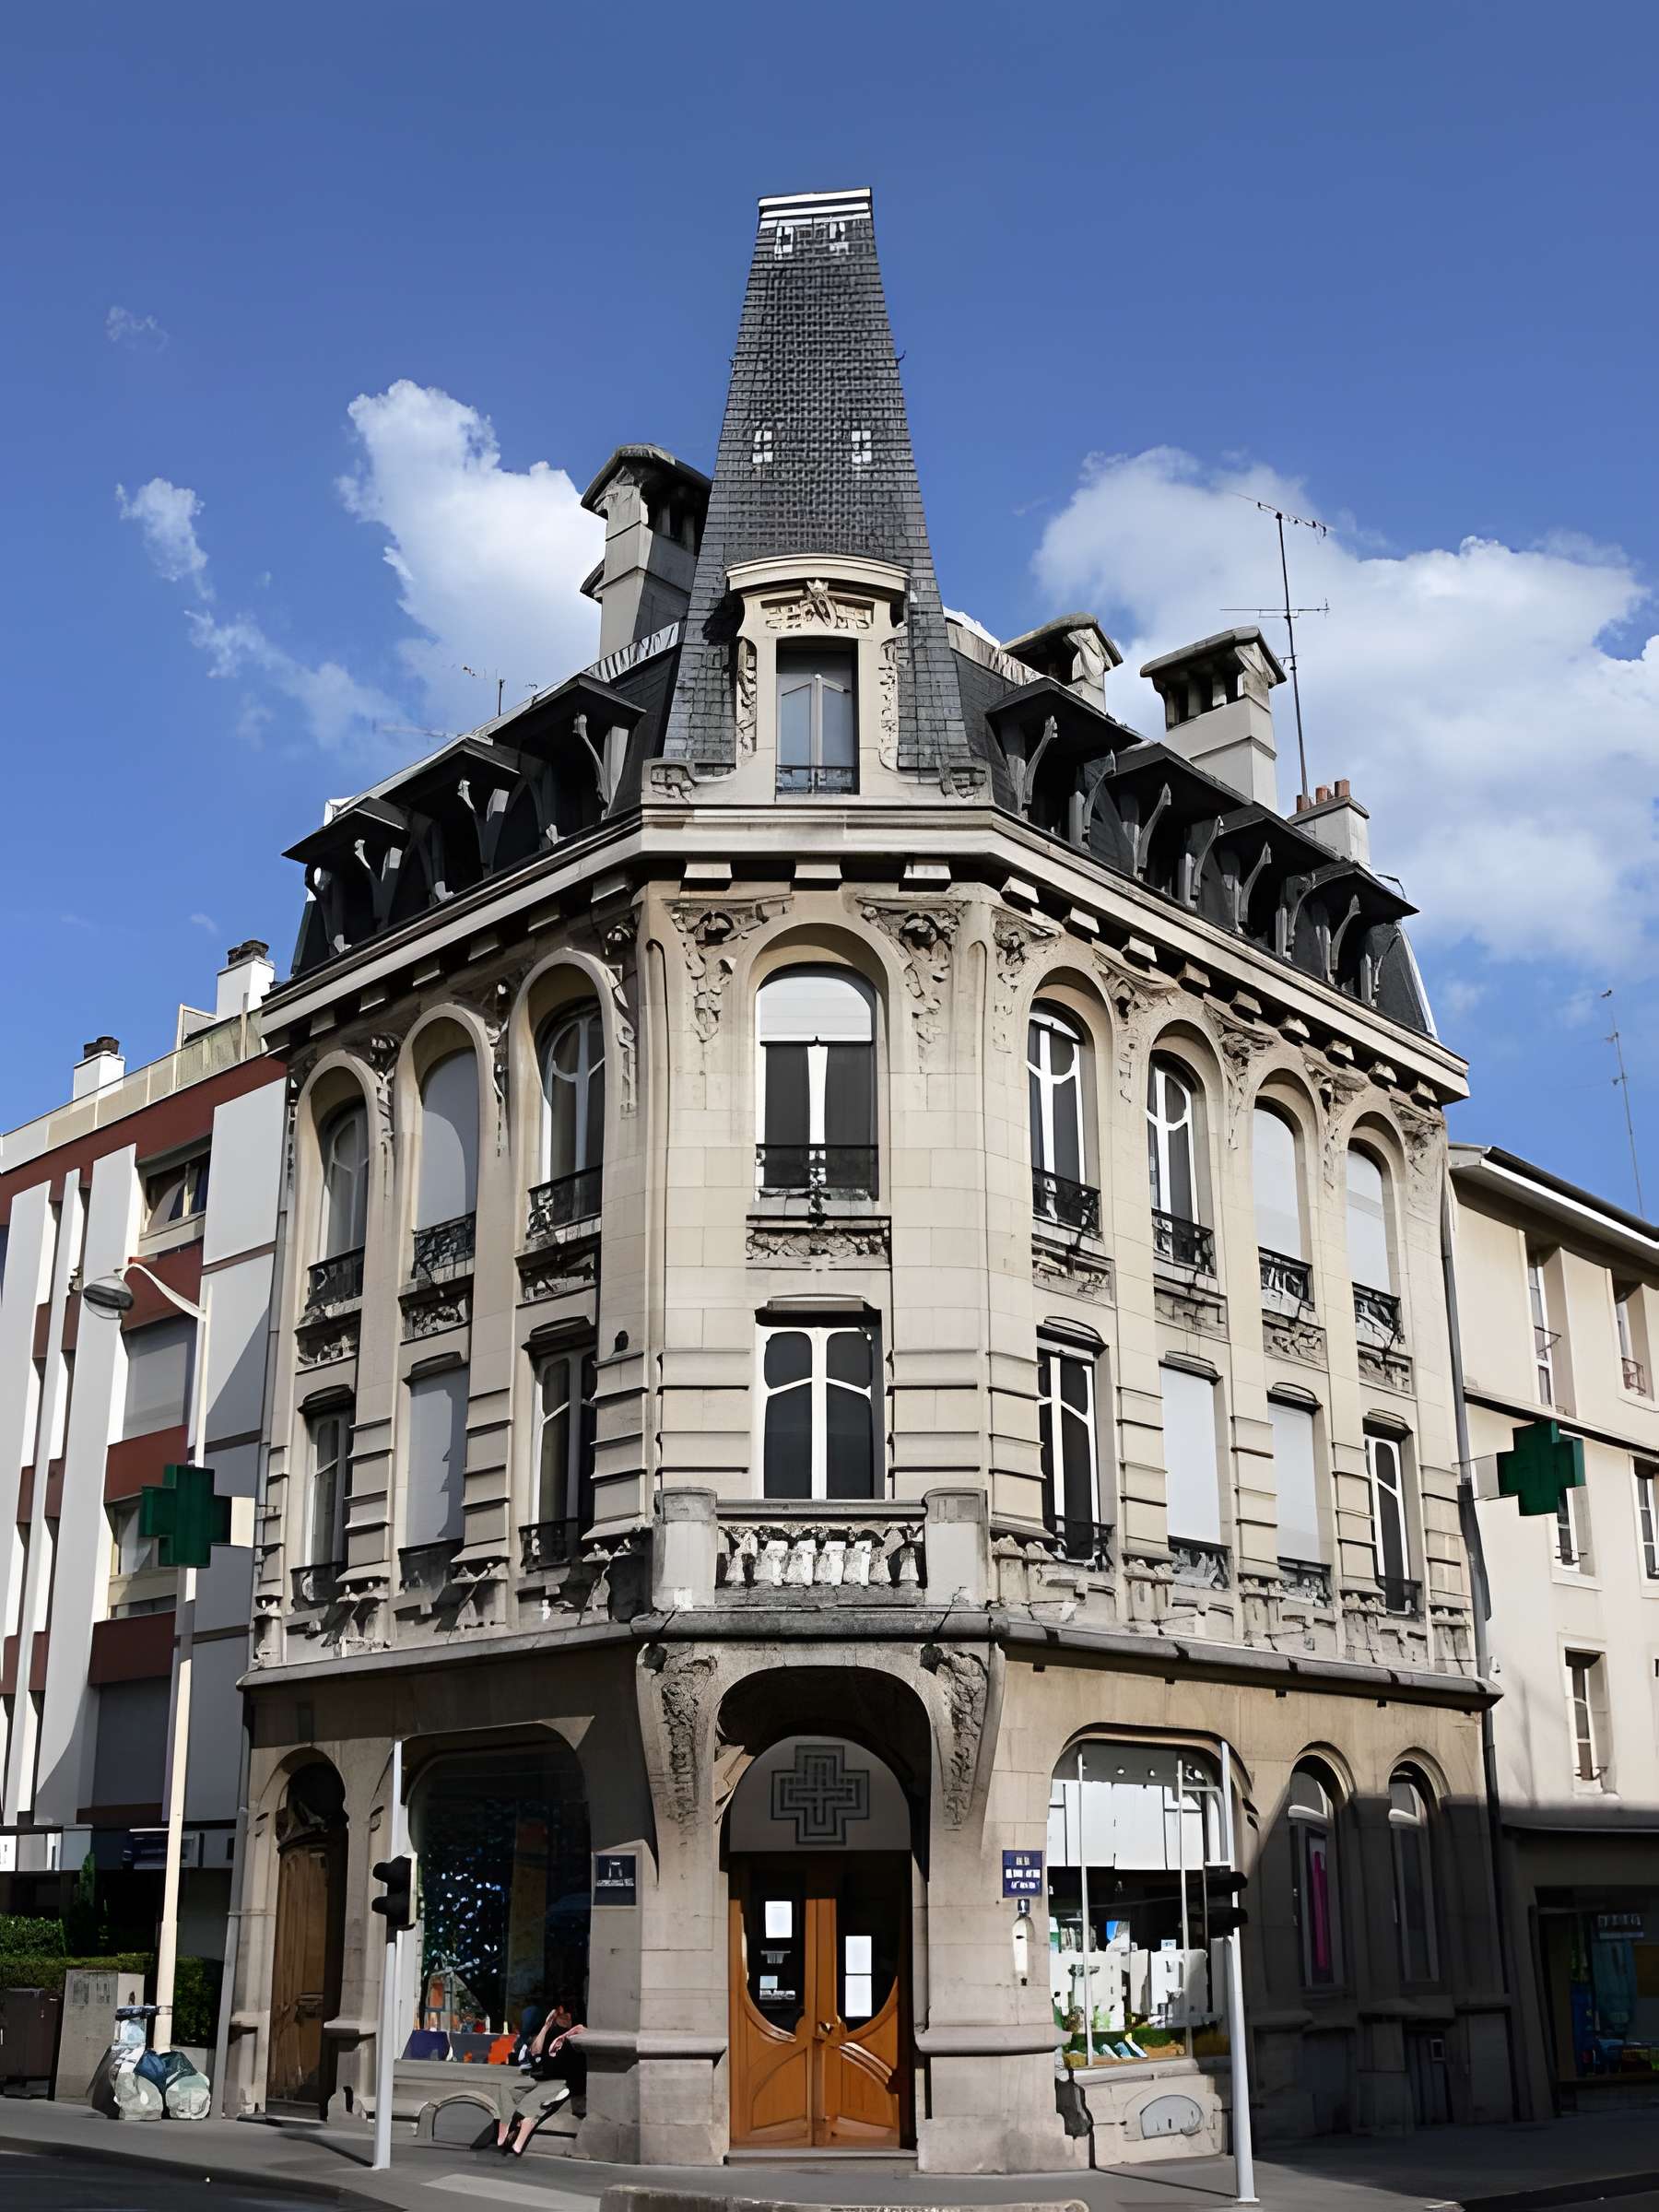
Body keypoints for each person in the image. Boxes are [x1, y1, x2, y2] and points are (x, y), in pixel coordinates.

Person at [491, 1999, 585, 2157]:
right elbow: (535, 2051)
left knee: (530, 2104)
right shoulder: (551, 2030)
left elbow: (582, 2030)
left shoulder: (577, 2031)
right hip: (539, 2077)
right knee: (507, 2088)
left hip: (559, 2080)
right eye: (560, 2015)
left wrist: (567, 2034)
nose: (563, 2018)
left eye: (565, 2015)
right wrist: (545, 2027)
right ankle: (505, 2124)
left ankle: (518, 2141)